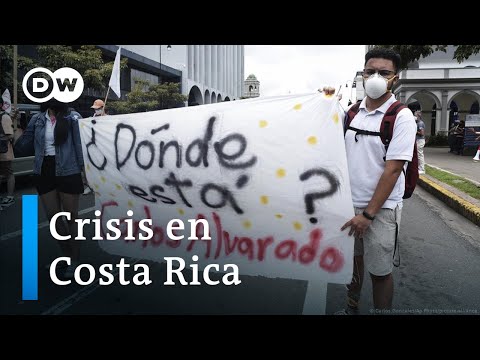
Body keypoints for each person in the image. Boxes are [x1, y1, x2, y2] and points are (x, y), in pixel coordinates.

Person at [337, 48, 417, 314]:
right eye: (370, 71)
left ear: (395, 77)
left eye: (384, 72)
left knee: (380, 272)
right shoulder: (350, 113)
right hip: (348, 206)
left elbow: (393, 170)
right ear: (362, 74)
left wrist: (368, 215)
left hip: (381, 211)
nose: (375, 77)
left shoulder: (401, 116)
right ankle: (352, 306)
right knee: (353, 264)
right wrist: (325, 101)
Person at [15, 100, 85, 278]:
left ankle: (75, 260)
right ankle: (67, 256)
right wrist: (15, 124)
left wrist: (84, 171)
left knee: (71, 217)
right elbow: (24, 145)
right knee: (53, 217)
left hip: (69, 169)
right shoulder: (37, 119)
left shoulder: (73, 117)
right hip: (44, 169)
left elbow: (79, 145)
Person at [0, 99, 15, 210]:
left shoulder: (4, 117)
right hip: (3, 149)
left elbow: (10, 135)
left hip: (3, 150)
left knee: (8, 172)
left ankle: (9, 196)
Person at [414, 110, 426, 174]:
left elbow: (422, 133)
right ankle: (419, 167)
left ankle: (422, 169)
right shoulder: (416, 123)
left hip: (420, 140)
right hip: (417, 140)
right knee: (417, 154)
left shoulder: (420, 123)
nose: (414, 117)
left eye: (415, 115)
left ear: (418, 116)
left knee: (419, 154)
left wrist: (414, 131)